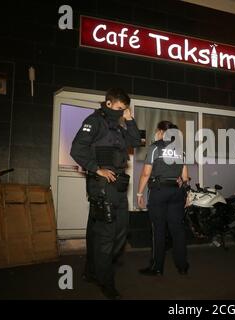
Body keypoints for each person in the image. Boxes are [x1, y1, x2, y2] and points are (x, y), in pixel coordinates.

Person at [70, 88, 141, 300]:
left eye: (125, 109)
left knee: (111, 231)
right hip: (102, 184)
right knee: (106, 236)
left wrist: (129, 120)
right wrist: (96, 168)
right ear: (108, 104)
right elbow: (76, 149)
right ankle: (105, 282)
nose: (122, 112)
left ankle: (91, 272)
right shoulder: (95, 121)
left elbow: (136, 142)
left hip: (117, 184)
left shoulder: (118, 125)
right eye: (119, 109)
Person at [137, 121, 190, 276]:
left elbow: (146, 173)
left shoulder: (155, 147)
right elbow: (185, 177)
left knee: (158, 230)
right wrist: (186, 195)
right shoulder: (181, 150)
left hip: (159, 192)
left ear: (161, 131)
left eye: (157, 131)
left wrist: (139, 193)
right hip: (177, 193)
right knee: (178, 230)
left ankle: (157, 267)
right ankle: (182, 266)